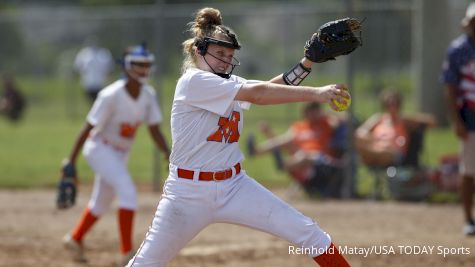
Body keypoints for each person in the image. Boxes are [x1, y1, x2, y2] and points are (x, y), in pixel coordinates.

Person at [126, 7, 350, 267]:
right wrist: (317, 93)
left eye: (229, 55)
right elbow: (258, 94)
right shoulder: (193, 81)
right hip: (188, 194)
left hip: (235, 185)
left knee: (310, 233)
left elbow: (270, 88)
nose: (225, 60)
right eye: (219, 53)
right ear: (199, 51)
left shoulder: (227, 81)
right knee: (145, 264)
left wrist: (307, 63)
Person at [61, 43, 170, 265]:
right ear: (126, 67)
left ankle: (75, 238)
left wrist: (168, 154)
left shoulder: (148, 95)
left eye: (146, 65)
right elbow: (87, 127)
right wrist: (70, 161)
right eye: (138, 65)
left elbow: (154, 129)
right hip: (99, 147)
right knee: (127, 190)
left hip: (120, 153)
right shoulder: (110, 94)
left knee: (101, 202)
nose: (143, 70)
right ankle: (126, 253)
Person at [250, 102, 348, 198]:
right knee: (286, 141)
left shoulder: (326, 123)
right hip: (300, 159)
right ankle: (256, 151)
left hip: (321, 160)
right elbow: (283, 142)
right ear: (305, 112)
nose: (313, 113)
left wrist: (325, 113)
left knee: (304, 156)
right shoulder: (299, 126)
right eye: (310, 110)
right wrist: (268, 132)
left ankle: (283, 164)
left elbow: (345, 119)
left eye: (315, 110)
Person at [441, 2, 475, 236]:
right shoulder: (459, 50)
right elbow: (450, 87)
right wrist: (455, 121)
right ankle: (468, 219)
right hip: (470, 115)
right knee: (469, 170)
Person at [354, 89, 435, 168]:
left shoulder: (404, 120)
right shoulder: (379, 119)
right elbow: (360, 132)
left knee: (380, 151)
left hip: (394, 153)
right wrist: (375, 140)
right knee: (357, 137)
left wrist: (406, 118)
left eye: (394, 103)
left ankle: (369, 153)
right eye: (388, 104)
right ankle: (371, 152)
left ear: (399, 104)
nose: (391, 106)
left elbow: (431, 122)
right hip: (376, 148)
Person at [74, 36, 114, 103]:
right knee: (91, 101)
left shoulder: (104, 53)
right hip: (88, 83)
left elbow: (109, 68)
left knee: (100, 101)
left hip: (101, 83)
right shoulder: (84, 54)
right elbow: (78, 67)